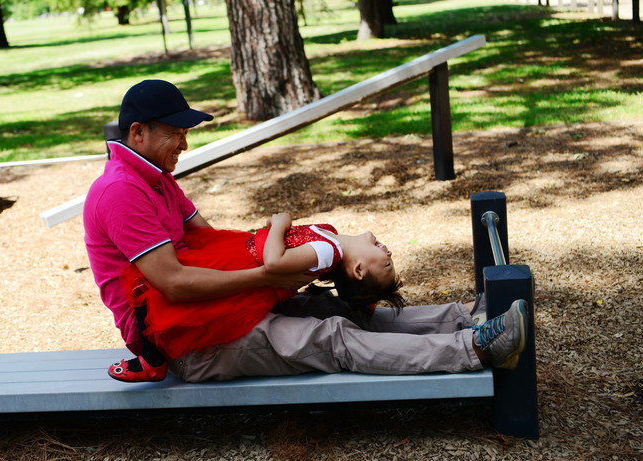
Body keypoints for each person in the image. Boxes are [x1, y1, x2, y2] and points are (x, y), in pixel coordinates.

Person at [83, 79, 527, 384]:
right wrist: (267, 276)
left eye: (185, 133)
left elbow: (212, 244)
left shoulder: (155, 177)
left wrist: (296, 260)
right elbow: (174, 284)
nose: (184, 144)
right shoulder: (120, 192)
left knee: (342, 312)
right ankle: (476, 348)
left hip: (212, 311)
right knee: (331, 337)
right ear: (138, 132)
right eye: (176, 133)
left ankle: (464, 316)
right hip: (183, 340)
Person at [108, 213, 406, 381]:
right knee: (158, 287)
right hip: (240, 253)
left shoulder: (329, 251)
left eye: (386, 263)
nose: (389, 252)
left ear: (357, 269)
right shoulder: (332, 241)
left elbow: (273, 264)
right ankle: (153, 356)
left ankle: (152, 361)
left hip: (244, 264)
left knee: (150, 286)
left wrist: (278, 225)